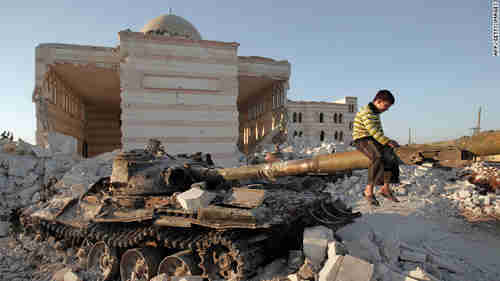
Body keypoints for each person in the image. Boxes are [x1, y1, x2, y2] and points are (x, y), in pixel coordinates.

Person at [352, 89, 401, 206]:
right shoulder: (367, 112)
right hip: (362, 139)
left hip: (373, 139)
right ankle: (368, 190)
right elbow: (373, 131)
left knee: (391, 156)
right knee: (377, 157)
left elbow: (379, 132)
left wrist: (388, 144)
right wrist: (387, 141)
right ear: (378, 101)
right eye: (385, 106)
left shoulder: (375, 113)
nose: (386, 109)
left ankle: (385, 188)